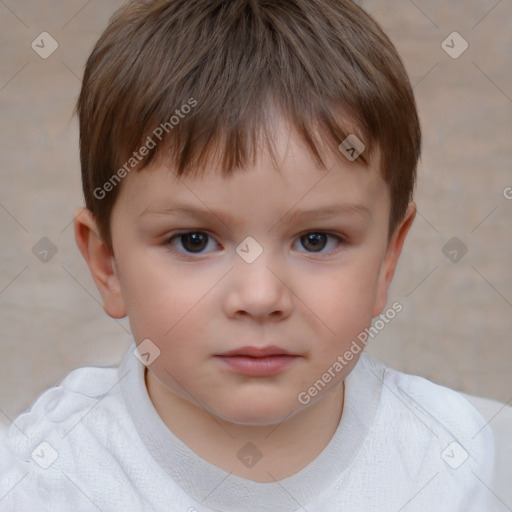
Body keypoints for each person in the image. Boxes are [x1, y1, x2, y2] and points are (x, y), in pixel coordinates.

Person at [0, 0, 495, 510]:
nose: (259, 298)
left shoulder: (458, 461)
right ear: (108, 266)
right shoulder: (43, 479)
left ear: (388, 258)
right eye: (194, 241)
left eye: (316, 240)